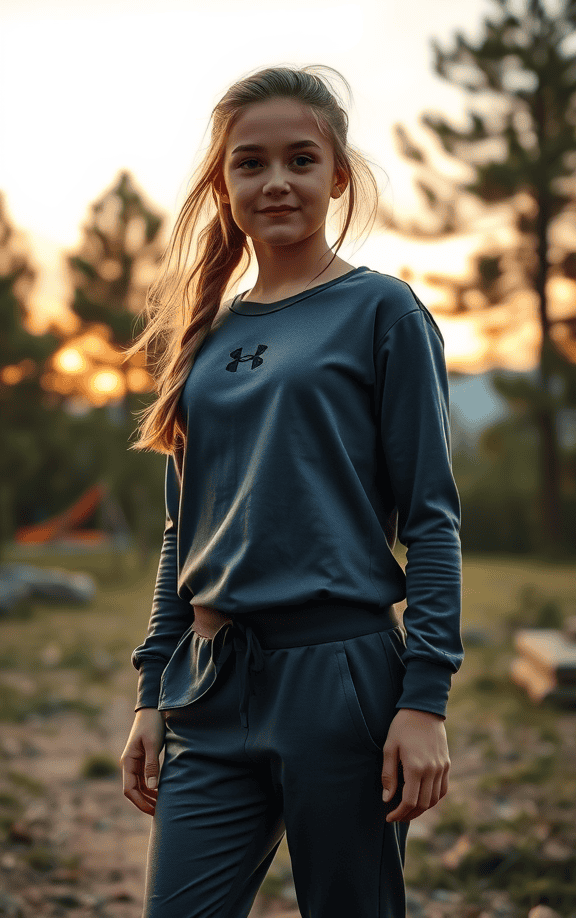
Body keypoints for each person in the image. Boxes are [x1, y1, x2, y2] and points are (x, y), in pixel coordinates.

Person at [119, 64, 464, 918]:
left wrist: (423, 702)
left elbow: (432, 519)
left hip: (340, 680)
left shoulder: (383, 312)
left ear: (337, 175)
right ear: (224, 182)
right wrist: (152, 693)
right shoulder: (204, 333)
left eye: (301, 159)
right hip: (209, 682)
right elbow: (183, 532)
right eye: (250, 162)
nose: (276, 181)